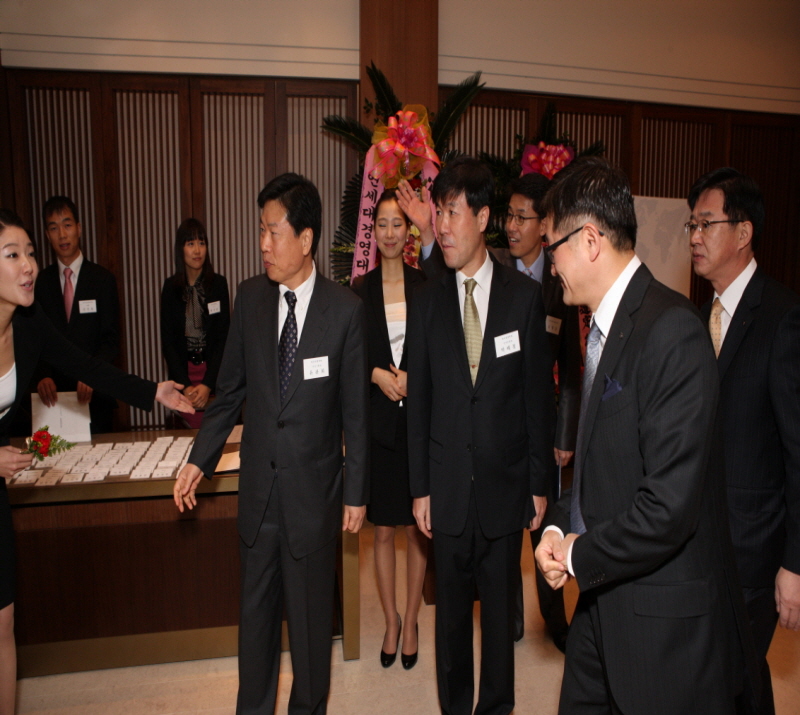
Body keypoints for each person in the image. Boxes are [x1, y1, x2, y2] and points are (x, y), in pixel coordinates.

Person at [535, 157, 757, 714]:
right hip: (602, 604)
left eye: (552, 247)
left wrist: (578, 554)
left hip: (661, 625)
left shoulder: (671, 331)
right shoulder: (604, 328)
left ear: (590, 241)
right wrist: (560, 522)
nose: (549, 266)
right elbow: (600, 464)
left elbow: (668, 508)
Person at [173, 173, 369, 715]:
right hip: (259, 499)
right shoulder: (251, 298)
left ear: (305, 239)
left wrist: (356, 493)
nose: (263, 243)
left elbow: (356, 412)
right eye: (260, 230)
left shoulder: (345, 310)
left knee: (309, 635)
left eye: (273, 231)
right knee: (255, 630)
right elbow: (229, 392)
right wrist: (198, 460)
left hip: (313, 500)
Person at [0, 209, 192, 715]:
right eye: (13, 255)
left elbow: (86, 365)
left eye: (29, 253)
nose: (28, 265)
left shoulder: (27, 323)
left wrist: (153, 392)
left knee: (3, 621)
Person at [407, 156, 553, 715]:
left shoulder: (522, 297)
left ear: (483, 217)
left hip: (504, 486)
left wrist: (539, 483)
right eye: (438, 213)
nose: (440, 226)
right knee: (450, 621)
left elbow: (537, 398)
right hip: (445, 487)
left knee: (498, 620)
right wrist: (420, 488)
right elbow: (419, 404)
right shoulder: (427, 301)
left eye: (451, 212)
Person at [688, 167, 800, 714]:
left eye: (706, 223)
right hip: (703, 540)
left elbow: (798, 453)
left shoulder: (783, 317)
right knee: (736, 679)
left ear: (743, 232)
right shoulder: (699, 316)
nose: (694, 236)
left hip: (755, 549)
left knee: (731, 677)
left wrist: (795, 564)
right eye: (691, 225)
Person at [500, 172, 581, 651]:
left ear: (543, 225)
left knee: (545, 524)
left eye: (521, 217)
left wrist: (565, 434)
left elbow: (571, 367)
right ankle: (509, 619)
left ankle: (555, 619)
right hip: (500, 426)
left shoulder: (559, 279)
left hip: (543, 429)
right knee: (505, 531)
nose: (512, 226)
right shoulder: (495, 272)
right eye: (508, 216)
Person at [352, 190, 427, 670]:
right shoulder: (359, 290)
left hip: (419, 427)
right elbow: (348, 357)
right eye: (382, 224)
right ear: (372, 231)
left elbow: (441, 350)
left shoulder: (427, 284)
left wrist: (415, 378)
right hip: (378, 428)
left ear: (410, 230)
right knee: (382, 531)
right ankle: (391, 621)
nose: (390, 232)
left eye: (398, 223)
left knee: (418, 531)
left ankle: (414, 619)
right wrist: (376, 374)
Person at [34, 195, 121, 433]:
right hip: (53, 401)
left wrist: (91, 374)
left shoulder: (102, 280)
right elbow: (33, 339)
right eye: (54, 228)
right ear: (47, 235)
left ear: (79, 229)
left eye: (67, 225)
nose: (62, 234)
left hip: (96, 397)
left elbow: (111, 341)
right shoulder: (39, 284)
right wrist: (42, 376)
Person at [160, 218, 230, 428]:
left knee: (214, 432)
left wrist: (208, 384)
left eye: (202, 243)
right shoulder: (170, 288)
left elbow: (223, 339)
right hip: (183, 375)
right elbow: (168, 343)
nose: (197, 250)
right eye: (190, 243)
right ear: (180, 249)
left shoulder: (218, 285)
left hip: (212, 374)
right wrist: (186, 386)